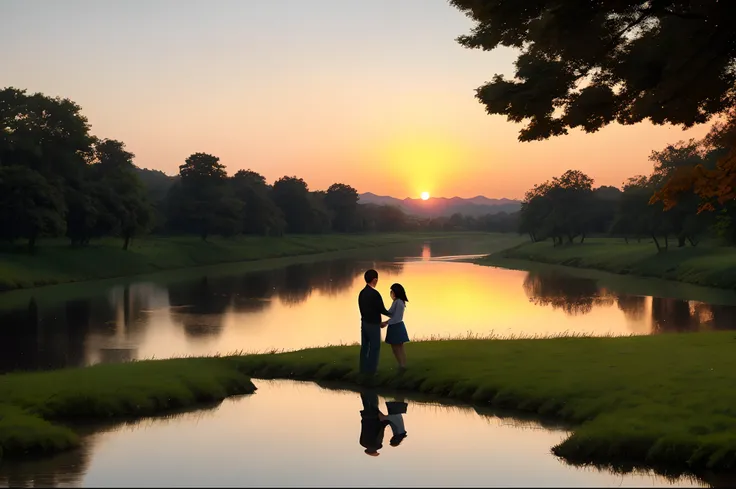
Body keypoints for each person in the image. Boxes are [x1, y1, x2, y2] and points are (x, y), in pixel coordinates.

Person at [358, 269, 392, 375]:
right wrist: (393, 314)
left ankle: (363, 369)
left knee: (365, 347)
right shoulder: (375, 294)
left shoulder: (362, 293)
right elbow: (381, 309)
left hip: (364, 323)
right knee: (375, 347)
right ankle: (372, 371)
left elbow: (362, 309)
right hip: (373, 325)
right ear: (375, 280)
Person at [381, 283, 410, 370]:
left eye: (392, 291)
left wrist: (386, 323)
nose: (391, 293)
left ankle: (402, 365)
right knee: (399, 347)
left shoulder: (398, 302)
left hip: (396, 327)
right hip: (397, 326)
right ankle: (402, 364)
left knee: (396, 348)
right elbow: (391, 313)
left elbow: (396, 317)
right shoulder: (398, 302)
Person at [359, 390, 388, 457]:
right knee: (366, 403)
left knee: (374, 404)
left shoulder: (376, 444)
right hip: (365, 418)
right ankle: (363, 390)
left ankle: (372, 390)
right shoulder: (362, 443)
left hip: (374, 419)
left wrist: (384, 423)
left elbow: (380, 433)